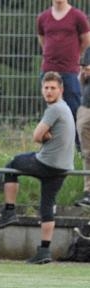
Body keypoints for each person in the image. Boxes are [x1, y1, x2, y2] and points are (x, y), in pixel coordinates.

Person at [0, 72, 75, 265]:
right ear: (41, 89)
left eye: (53, 88)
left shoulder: (54, 109)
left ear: (60, 90)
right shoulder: (66, 108)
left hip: (47, 163)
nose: (48, 91)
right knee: (47, 206)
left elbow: (36, 136)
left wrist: (43, 136)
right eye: (46, 88)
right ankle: (44, 251)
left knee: (12, 165)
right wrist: (47, 136)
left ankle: (9, 210)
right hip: (63, 167)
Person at [37, 0, 90, 147]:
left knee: (74, 110)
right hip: (48, 70)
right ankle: (53, 147)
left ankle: (79, 148)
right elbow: (42, 41)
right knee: (52, 111)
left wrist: (74, 57)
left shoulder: (78, 16)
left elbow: (86, 41)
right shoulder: (43, 17)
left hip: (69, 72)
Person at [75, 49, 90, 207]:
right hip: (85, 108)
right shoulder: (88, 51)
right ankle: (88, 192)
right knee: (87, 153)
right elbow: (81, 81)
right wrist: (83, 75)